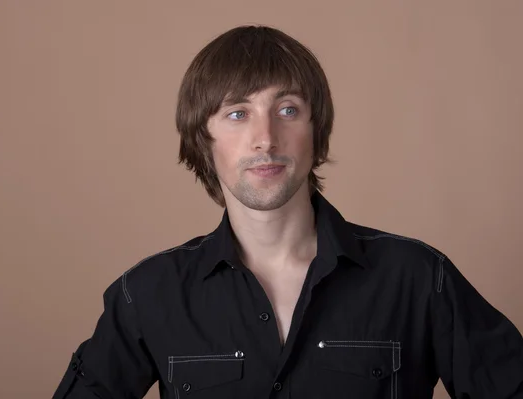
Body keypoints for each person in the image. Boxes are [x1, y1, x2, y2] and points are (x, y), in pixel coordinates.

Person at [52, 25, 523, 399]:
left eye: (289, 109)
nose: (266, 138)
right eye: (238, 113)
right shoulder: (147, 294)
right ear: (203, 139)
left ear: (317, 132)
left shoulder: (419, 278)